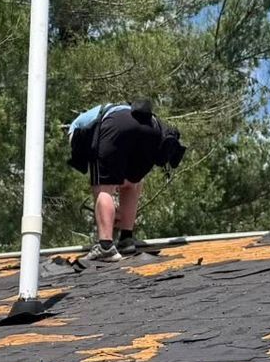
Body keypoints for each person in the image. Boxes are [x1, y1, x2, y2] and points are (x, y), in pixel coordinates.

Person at [66, 100, 186, 262]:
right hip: (152, 127)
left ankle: (105, 246)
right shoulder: (102, 113)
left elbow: (88, 163)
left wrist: (107, 194)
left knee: (103, 187)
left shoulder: (77, 129)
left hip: (116, 124)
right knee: (132, 184)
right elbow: (124, 181)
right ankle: (126, 239)